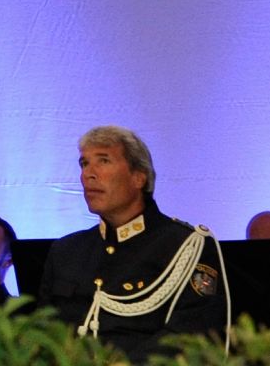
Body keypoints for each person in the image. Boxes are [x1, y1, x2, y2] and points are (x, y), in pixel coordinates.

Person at [39, 126, 228, 358]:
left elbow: (193, 333)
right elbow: (43, 332)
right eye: (84, 163)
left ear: (139, 177)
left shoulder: (186, 246)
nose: (89, 173)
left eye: (104, 161)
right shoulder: (66, 250)